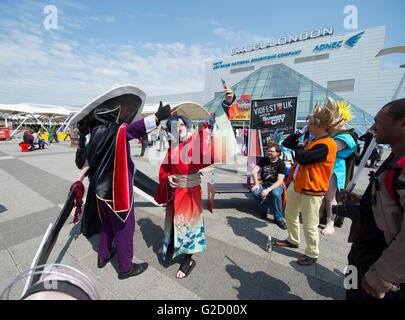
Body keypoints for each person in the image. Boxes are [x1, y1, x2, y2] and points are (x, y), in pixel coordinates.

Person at [73, 86, 171, 280]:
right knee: (125, 227)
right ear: (111, 116)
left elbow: (82, 163)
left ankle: (103, 256)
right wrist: (157, 118)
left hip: (99, 190)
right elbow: (133, 130)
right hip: (116, 190)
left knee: (107, 223)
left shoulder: (94, 135)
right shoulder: (112, 130)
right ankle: (126, 268)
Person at [154, 86, 236, 279]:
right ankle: (172, 244)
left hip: (190, 193)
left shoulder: (195, 142)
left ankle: (188, 259)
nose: (179, 128)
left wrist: (226, 104)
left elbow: (211, 125)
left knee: (189, 225)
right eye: (175, 126)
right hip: (175, 193)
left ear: (187, 125)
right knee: (173, 222)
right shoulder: (173, 146)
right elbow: (164, 169)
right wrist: (167, 178)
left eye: (182, 124)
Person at [337, 98, 405, 300]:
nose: (372, 127)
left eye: (379, 123)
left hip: (382, 269)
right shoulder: (394, 158)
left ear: (403, 123)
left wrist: (382, 278)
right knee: (351, 291)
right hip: (362, 254)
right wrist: (358, 200)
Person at [275, 97, 339, 266]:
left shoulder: (327, 144)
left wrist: (302, 143)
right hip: (297, 184)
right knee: (289, 214)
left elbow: (303, 158)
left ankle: (312, 252)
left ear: (323, 126)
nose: (309, 126)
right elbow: (288, 143)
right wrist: (300, 133)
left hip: (312, 189)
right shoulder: (311, 139)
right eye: (309, 123)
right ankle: (293, 239)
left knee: (310, 224)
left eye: (312, 124)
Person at [319, 101, 358, 235]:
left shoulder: (346, 136)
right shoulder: (330, 134)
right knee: (322, 196)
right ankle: (319, 216)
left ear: (344, 119)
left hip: (335, 167)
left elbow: (328, 149)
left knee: (330, 197)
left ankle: (331, 223)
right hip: (324, 166)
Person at [250, 142, 287, 229]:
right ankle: (264, 209)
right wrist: (256, 184)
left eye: (271, 151)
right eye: (268, 151)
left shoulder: (281, 164)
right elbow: (254, 171)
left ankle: (278, 218)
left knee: (276, 194)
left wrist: (267, 190)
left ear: (277, 153)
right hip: (264, 183)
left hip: (277, 184)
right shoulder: (264, 159)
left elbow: (279, 181)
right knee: (255, 191)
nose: (268, 153)